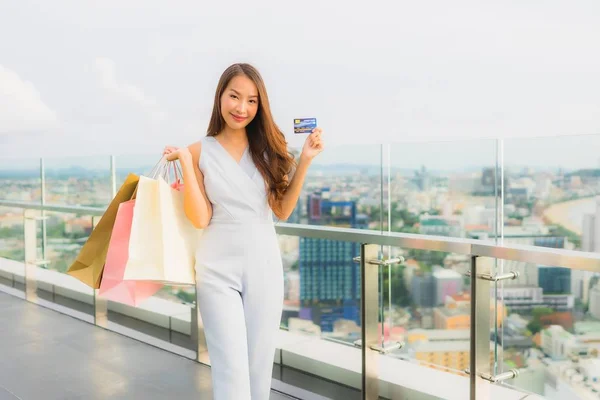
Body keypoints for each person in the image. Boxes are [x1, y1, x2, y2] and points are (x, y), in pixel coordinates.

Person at [163, 63, 324, 399]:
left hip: (264, 265)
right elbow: (200, 219)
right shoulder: (197, 150)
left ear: (260, 105)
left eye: (251, 101)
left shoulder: (270, 149)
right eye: (234, 96)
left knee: (258, 367)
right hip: (216, 268)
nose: (241, 107)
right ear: (220, 96)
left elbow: (281, 209)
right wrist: (186, 167)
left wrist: (305, 160)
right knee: (230, 371)